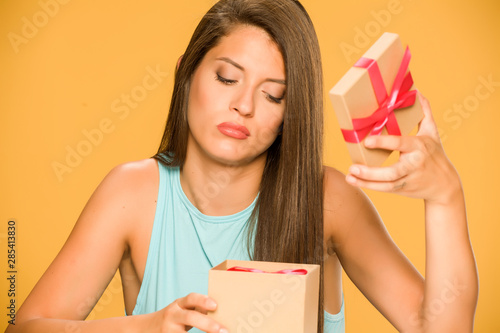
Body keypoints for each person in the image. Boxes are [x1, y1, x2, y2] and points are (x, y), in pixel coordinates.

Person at [6, 0, 478, 332]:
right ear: (186, 73)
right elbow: (27, 326)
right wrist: (147, 328)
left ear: (289, 114)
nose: (244, 106)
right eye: (227, 77)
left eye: (273, 94)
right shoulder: (132, 194)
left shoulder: (327, 201)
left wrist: (445, 198)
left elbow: (439, 327)